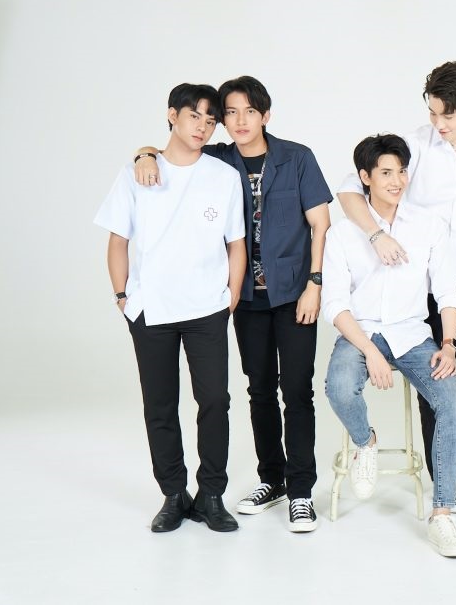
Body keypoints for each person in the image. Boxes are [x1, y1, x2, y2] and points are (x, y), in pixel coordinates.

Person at [133, 76, 332, 532]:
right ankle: (272, 479)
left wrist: (315, 284)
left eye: (250, 111)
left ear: (266, 115)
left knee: (296, 391)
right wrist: (143, 153)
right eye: (231, 113)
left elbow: (320, 225)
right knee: (259, 390)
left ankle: (301, 491)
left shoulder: (297, 158)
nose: (240, 121)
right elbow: (170, 151)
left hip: (294, 294)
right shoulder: (219, 159)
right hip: (246, 300)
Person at [336, 62, 456, 513]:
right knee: (435, 375)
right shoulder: (414, 143)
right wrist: (377, 235)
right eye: (433, 113)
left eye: (448, 115)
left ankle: (454, 442)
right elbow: (349, 191)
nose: (439, 123)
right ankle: (449, 482)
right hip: (423, 279)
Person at [95, 83, 246, 533]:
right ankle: (173, 494)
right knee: (160, 404)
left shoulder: (223, 176)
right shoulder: (137, 172)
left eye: (211, 120)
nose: (203, 126)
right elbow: (118, 240)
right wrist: (122, 297)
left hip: (207, 308)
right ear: (172, 115)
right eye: (194, 116)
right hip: (151, 310)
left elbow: (236, 243)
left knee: (214, 401)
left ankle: (212, 494)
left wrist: (232, 296)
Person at [321, 134, 456, 558]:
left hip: (413, 336)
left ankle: (442, 514)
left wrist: (448, 343)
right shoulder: (344, 233)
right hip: (361, 332)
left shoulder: (428, 226)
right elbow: (335, 304)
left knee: (452, 400)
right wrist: (369, 351)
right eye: (386, 172)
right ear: (365, 177)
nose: (397, 180)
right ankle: (365, 442)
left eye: (402, 171)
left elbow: (448, 292)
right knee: (339, 386)